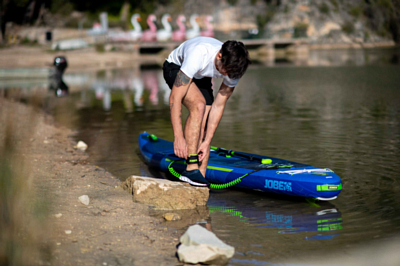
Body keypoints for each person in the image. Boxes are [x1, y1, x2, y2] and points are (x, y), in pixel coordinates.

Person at [163, 36, 251, 187]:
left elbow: (218, 105)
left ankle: (200, 179)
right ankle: (191, 169)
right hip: (176, 67)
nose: (227, 76)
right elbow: (174, 98)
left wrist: (207, 141)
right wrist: (178, 138)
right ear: (219, 56)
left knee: (203, 125)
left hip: (201, 74)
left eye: (231, 74)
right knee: (199, 105)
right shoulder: (199, 54)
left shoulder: (234, 68)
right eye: (226, 72)